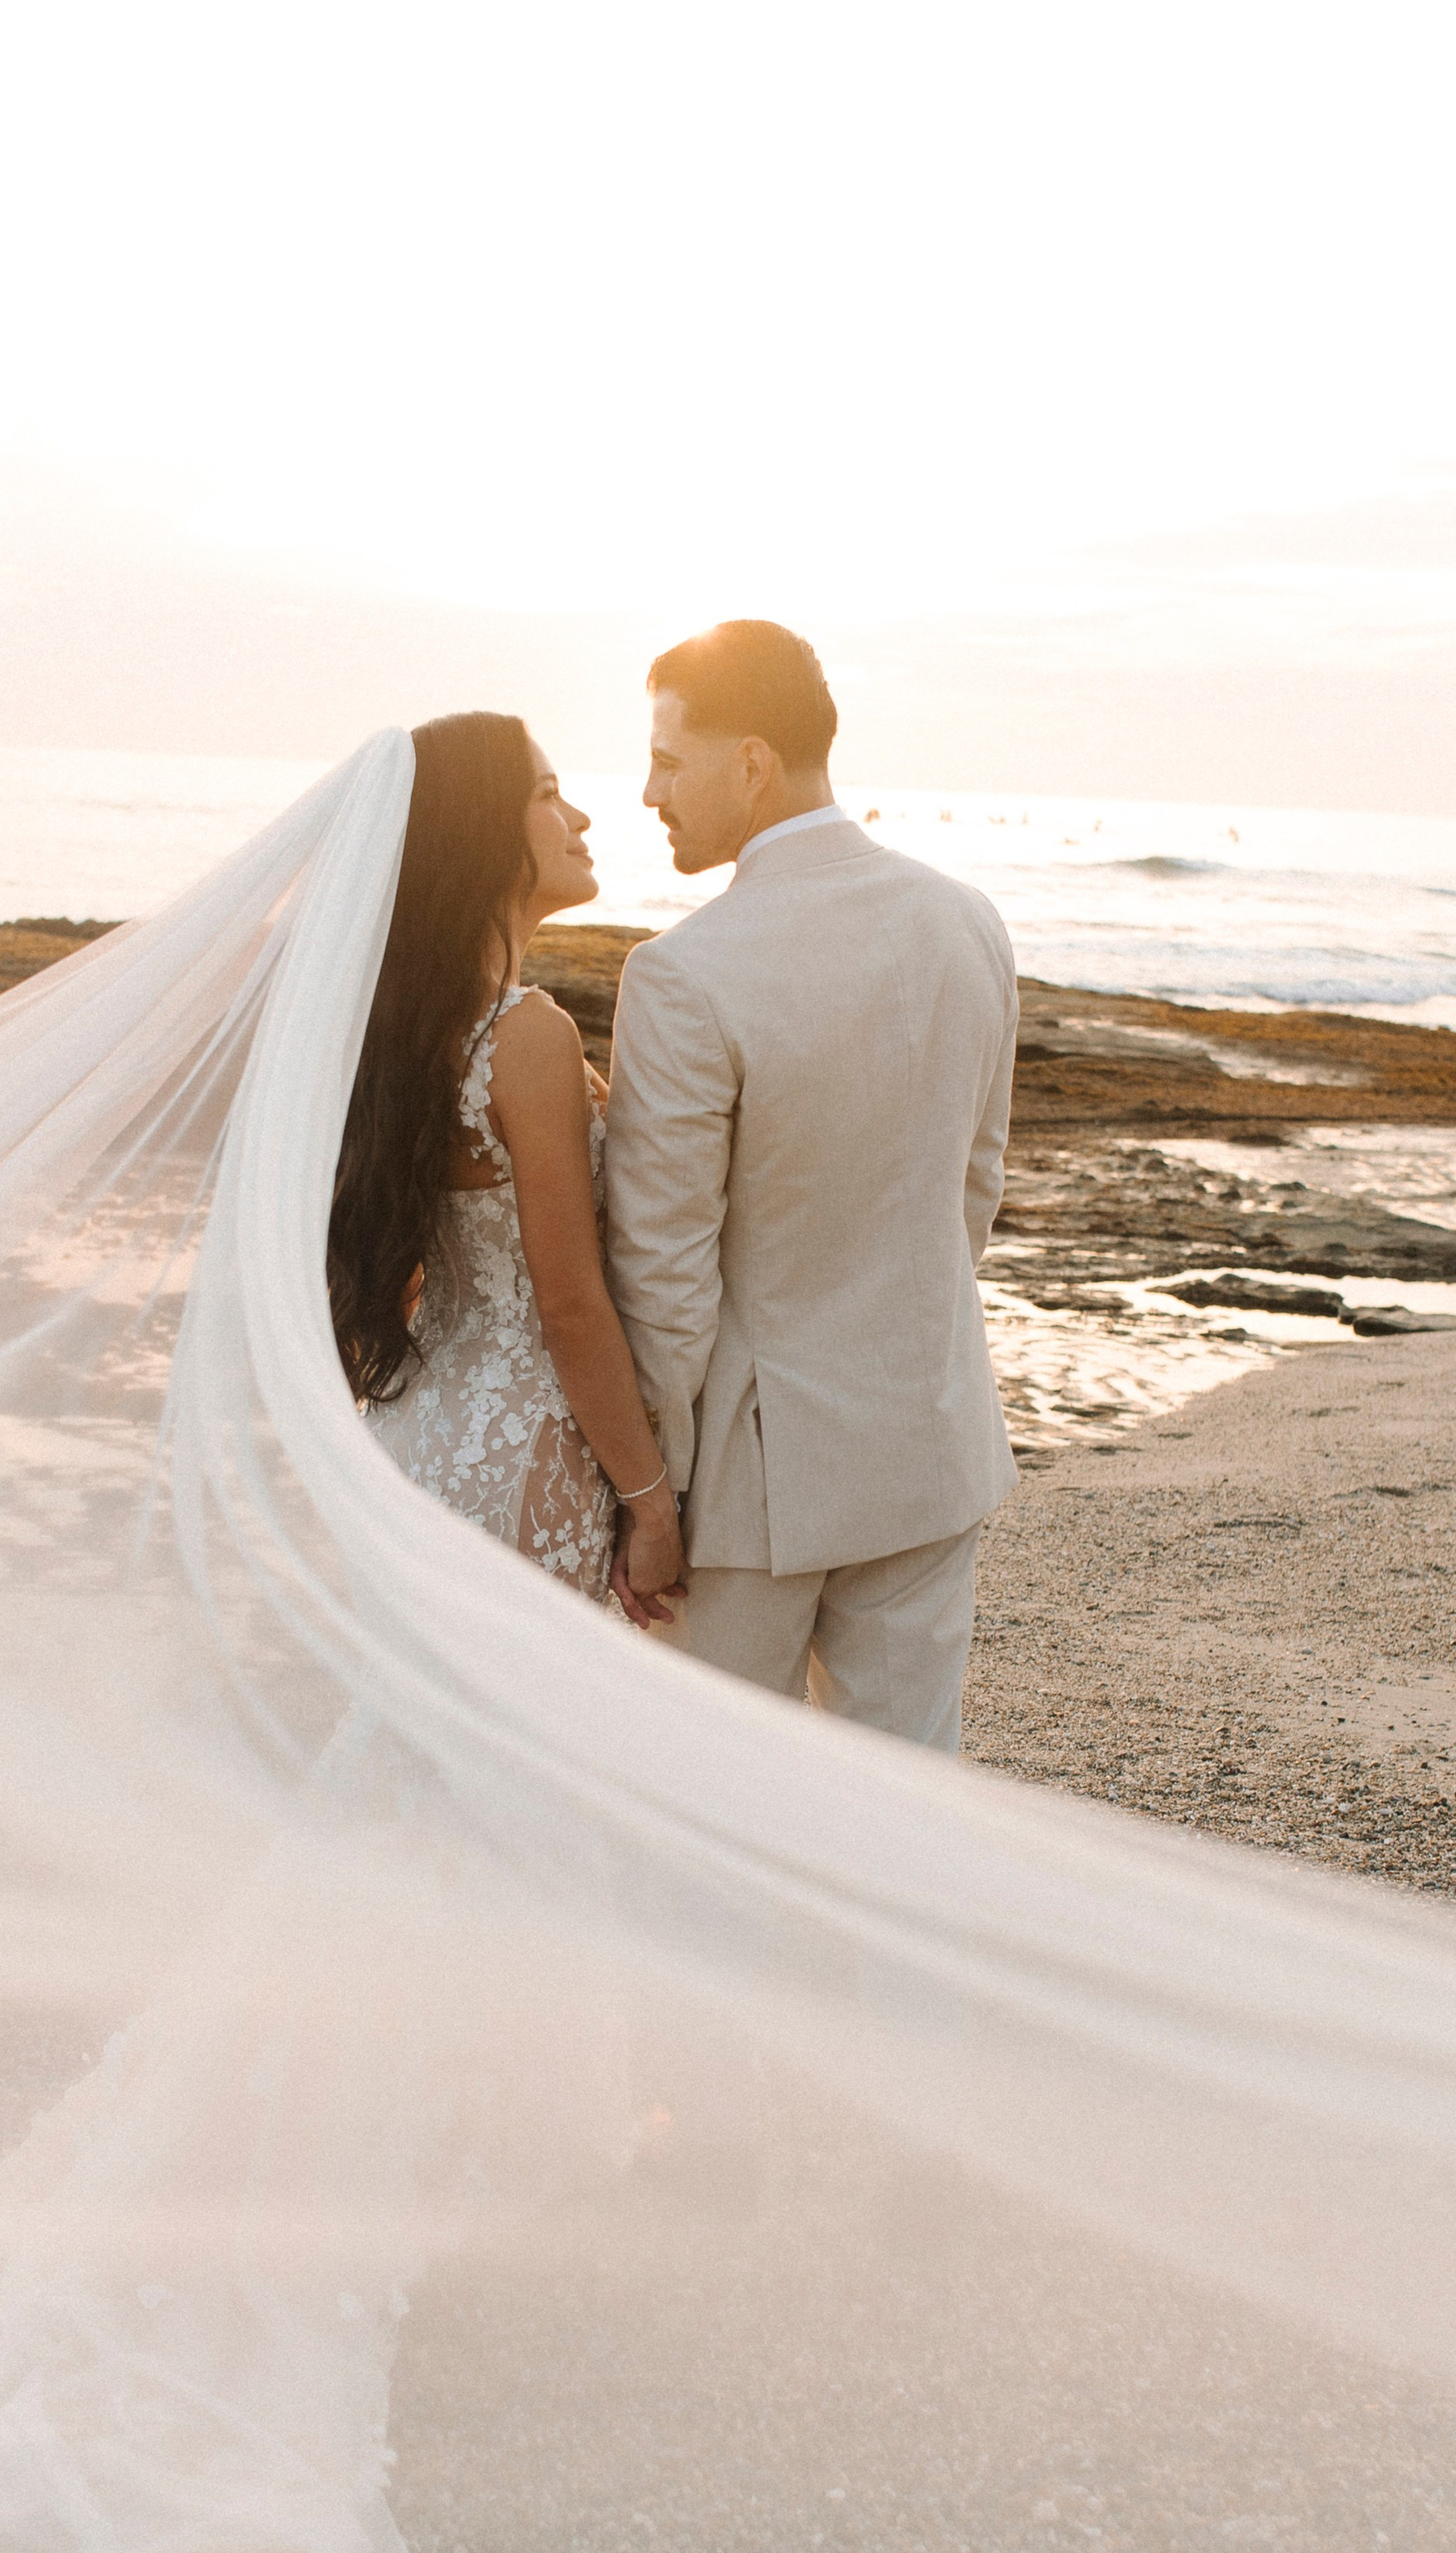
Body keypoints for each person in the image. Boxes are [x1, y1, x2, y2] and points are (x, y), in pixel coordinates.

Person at [602, 620, 1019, 1749]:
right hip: (924, 1439)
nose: (648, 792)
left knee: (705, 1809)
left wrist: (651, 1495)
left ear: (749, 762)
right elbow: (969, 1187)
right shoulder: (966, 922)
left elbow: (663, 1273)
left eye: (668, 759)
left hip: (745, 1489)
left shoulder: (687, 973)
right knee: (904, 1807)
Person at [330, 711, 684, 1614]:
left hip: (409, 1435)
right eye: (547, 794)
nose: (581, 819)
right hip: (521, 1455)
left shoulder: (397, 1031)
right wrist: (649, 1504)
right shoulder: (523, 1035)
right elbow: (566, 1303)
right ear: (483, 833)